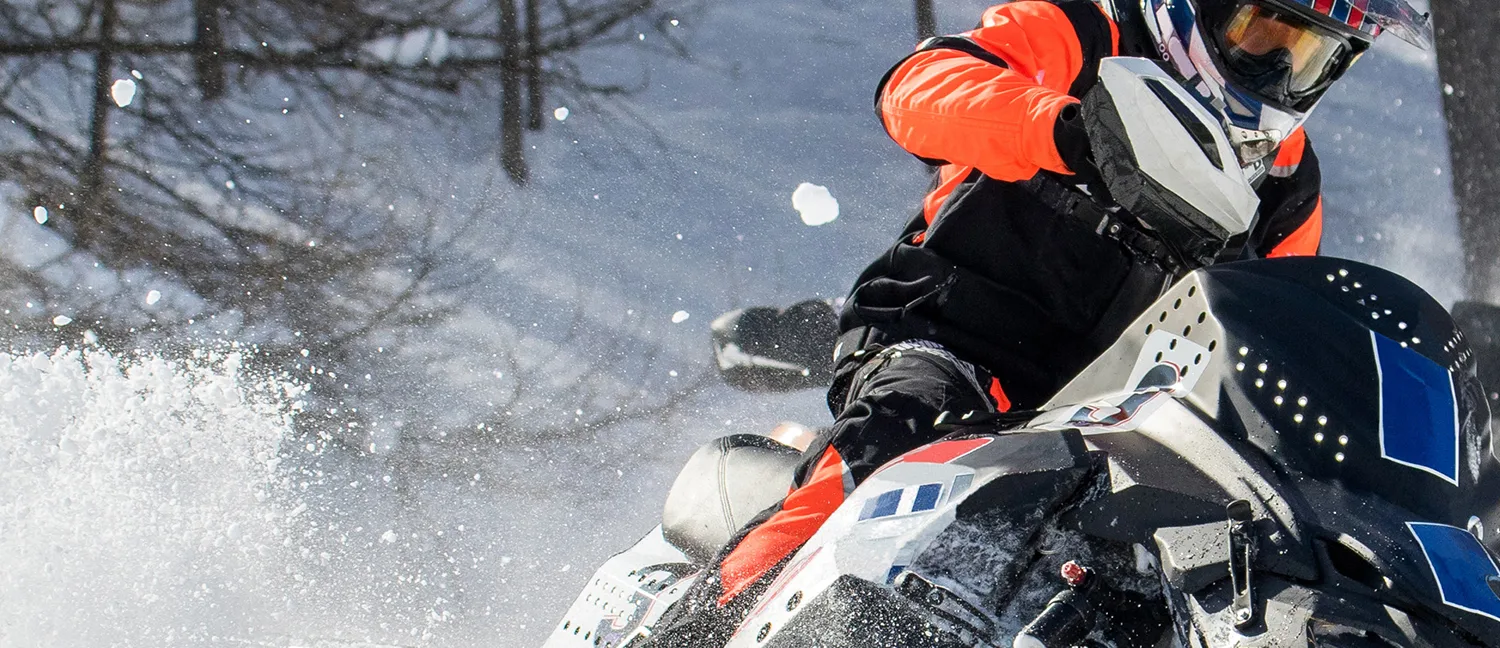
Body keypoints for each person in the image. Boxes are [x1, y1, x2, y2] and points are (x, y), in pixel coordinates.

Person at [646, 0, 1433, 643]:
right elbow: (916, 90)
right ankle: (697, 634)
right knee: (886, 450)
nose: (1280, 68)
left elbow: (1274, 333)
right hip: (950, 342)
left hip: (1121, 427)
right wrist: (1066, 131)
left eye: (1310, 55)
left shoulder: (1288, 182)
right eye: (1263, 33)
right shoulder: (1086, 33)